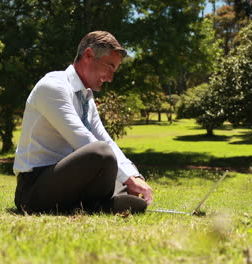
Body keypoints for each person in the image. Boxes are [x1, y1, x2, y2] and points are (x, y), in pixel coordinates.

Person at [13, 31, 153, 214]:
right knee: (101, 153)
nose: (110, 77)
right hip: (33, 188)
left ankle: (97, 202)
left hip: (69, 179)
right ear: (88, 55)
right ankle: (100, 203)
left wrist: (134, 175)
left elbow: (105, 138)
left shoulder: (86, 96)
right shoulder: (53, 86)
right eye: (109, 67)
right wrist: (127, 179)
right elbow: (82, 139)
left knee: (114, 165)